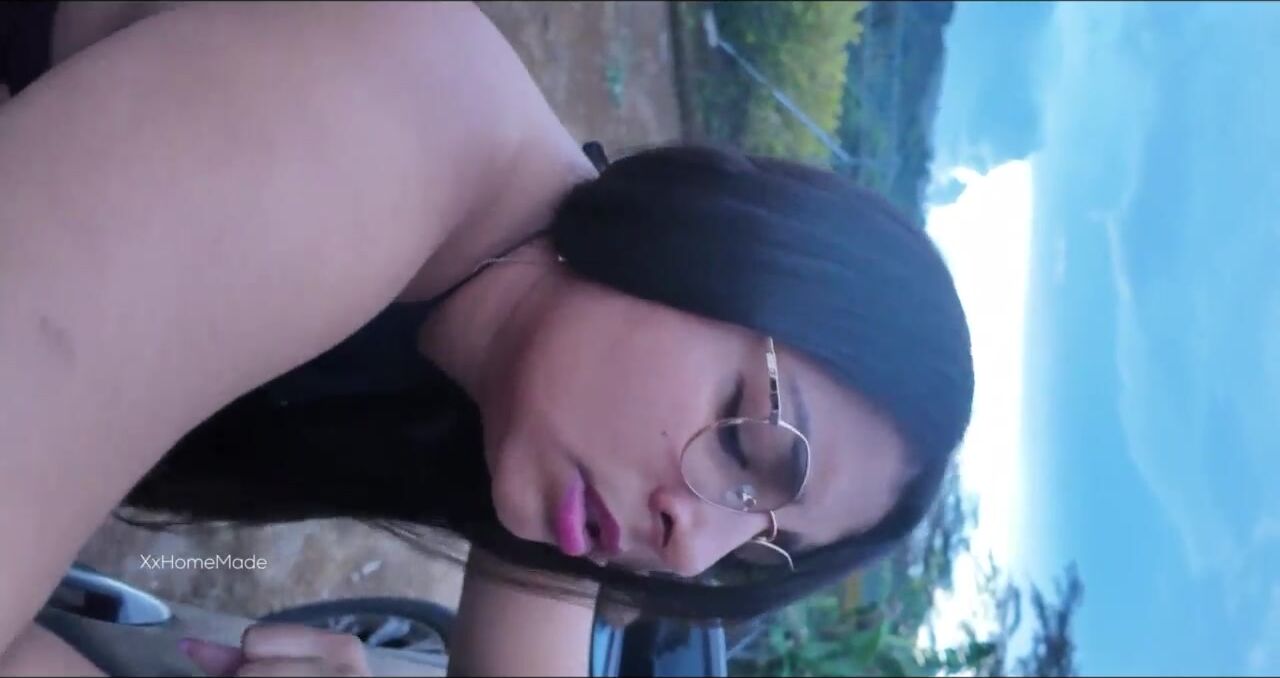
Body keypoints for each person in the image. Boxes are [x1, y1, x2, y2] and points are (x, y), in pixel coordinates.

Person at [0, 2, 974, 676]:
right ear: (708, 240)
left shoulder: (534, 367)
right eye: (746, 442)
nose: (689, 552)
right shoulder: (384, 127)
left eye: (752, 548)